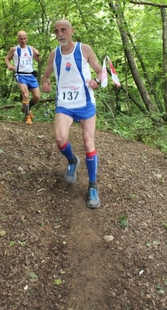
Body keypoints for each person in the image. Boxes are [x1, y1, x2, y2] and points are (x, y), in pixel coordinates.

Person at [42, 19, 102, 208]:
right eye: (57, 31)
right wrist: (45, 83)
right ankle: (72, 160)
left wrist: (97, 82)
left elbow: (101, 72)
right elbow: (45, 75)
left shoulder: (84, 50)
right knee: (60, 138)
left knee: (88, 141)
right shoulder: (54, 54)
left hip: (85, 104)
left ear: (71, 31)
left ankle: (92, 186)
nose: (60, 34)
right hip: (65, 104)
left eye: (64, 30)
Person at [5, 30, 41, 125]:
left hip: (31, 75)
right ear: (18, 39)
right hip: (20, 75)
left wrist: (37, 54)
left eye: (25, 38)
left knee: (37, 97)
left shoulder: (30, 49)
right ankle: (27, 116)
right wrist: (9, 66)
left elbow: (38, 60)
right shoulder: (14, 49)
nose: (23, 40)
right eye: (21, 39)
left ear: (27, 38)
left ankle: (26, 109)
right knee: (25, 95)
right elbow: (7, 58)